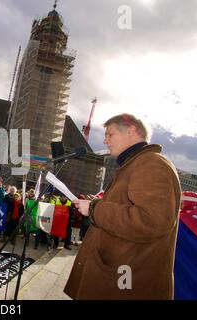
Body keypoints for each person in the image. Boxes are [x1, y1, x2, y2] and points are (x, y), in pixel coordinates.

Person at [66, 113, 181, 300]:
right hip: (121, 275)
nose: (105, 141)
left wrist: (95, 209)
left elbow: (153, 221)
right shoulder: (136, 164)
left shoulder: (151, 164)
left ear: (131, 131)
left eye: (110, 135)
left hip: (127, 281)